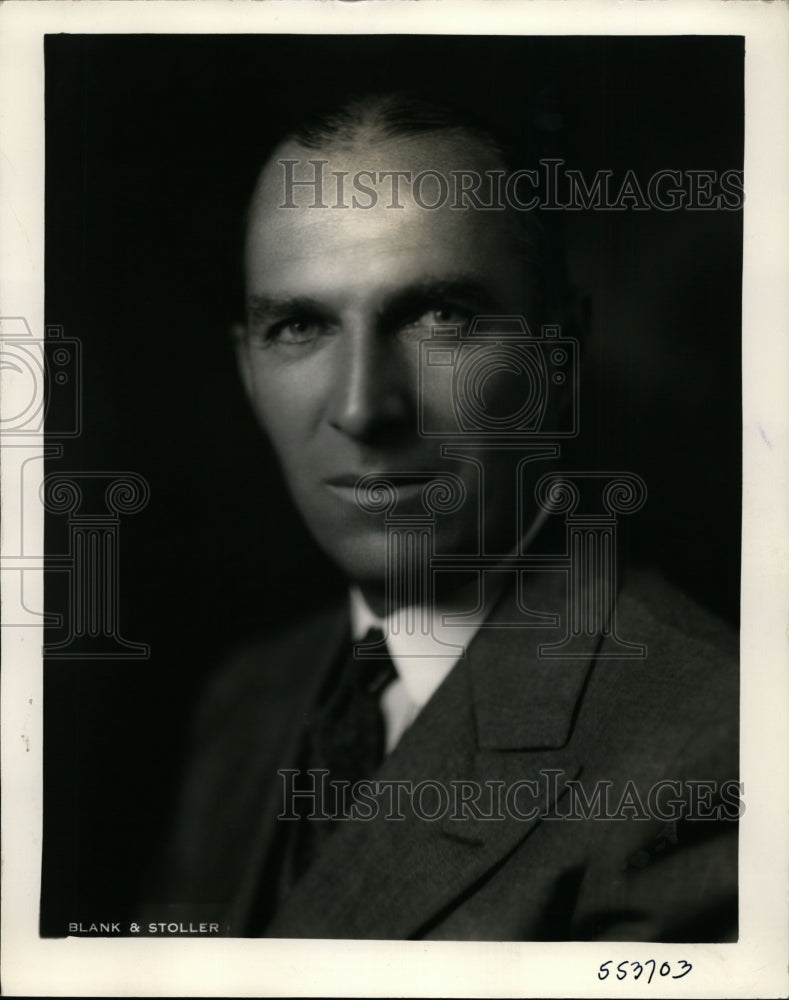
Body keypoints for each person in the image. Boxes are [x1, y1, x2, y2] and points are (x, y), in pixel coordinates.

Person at [157, 93, 739, 941]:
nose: (363, 407)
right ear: (247, 371)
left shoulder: (710, 751)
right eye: (299, 324)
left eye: (441, 317)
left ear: (559, 355)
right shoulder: (247, 701)